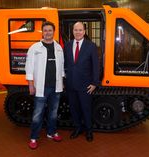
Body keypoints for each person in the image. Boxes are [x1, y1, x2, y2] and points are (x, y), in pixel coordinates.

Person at [25, 21, 65, 149]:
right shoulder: (35, 48)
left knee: (53, 112)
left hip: (56, 87)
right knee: (38, 114)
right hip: (40, 87)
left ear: (54, 32)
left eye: (50, 30)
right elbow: (29, 67)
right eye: (45, 30)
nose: (48, 32)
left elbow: (62, 67)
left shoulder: (58, 48)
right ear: (43, 32)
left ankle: (51, 132)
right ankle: (33, 137)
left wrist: (62, 82)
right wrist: (31, 84)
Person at [64, 22, 99, 142]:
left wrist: (95, 83)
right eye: (75, 30)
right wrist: (64, 80)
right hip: (71, 84)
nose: (77, 32)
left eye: (80, 30)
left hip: (86, 85)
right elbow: (65, 64)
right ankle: (78, 128)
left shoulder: (91, 46)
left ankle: (89, 130)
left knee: (86, 108)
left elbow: (96, 66)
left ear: (84, 31)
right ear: (72, 31)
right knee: (74, 108)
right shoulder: (67, 45)